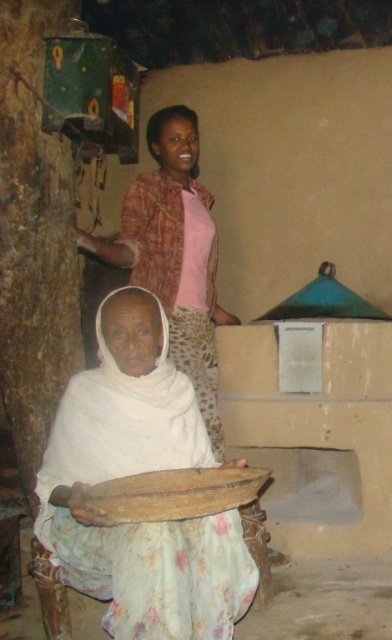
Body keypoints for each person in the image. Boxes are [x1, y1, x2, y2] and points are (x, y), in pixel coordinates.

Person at [34, 286, 259, 639]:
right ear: (103, 340)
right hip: (99, 525)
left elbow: (197, 466)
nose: (131, 344)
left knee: (216, 519)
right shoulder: (86, 391)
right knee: (154, 535)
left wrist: (220, 477)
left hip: (171, 514)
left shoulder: (178, 387)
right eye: (118, 334)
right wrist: (73, 498)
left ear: (160, 336)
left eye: (142, 332)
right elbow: (54, 482)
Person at [76, 105, 238, 461]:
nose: (186, 146)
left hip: (198, 324)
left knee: (211, 408)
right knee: (201, 416)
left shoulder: (200, 197)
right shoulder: (146, 188)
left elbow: (193, 267)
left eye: (192, 138)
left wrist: (217, 312)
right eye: (175, 139)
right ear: (156, 148)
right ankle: (214, 503)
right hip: (166, 319)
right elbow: (132, 252)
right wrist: (89, 242)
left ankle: (202, 496)